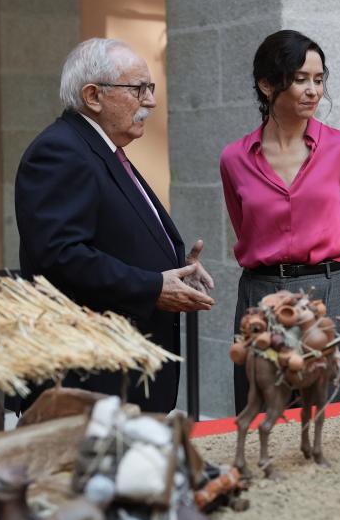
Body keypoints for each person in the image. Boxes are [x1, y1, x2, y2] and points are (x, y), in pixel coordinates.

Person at [15, 38, 214, 413]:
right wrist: (153, 286)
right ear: (93, 96)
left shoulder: (99, 148)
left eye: (150, 88)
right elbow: (61, 256)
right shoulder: (60, 151)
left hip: (123, 371)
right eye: (139, 89)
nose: (150, 101)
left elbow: (115, 238)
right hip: (92, 377)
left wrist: (175, 269)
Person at [220, 29, 340, 413]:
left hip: (332, 292)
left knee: (337, 416)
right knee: (265, 413)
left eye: (319, 80)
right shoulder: (235, 159)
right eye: (301, 79)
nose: (313, 91)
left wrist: (333, 279)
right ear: (267, 84)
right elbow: (246, 228)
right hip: (262, 296)